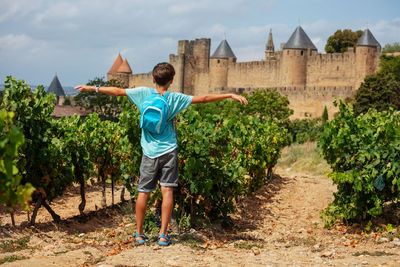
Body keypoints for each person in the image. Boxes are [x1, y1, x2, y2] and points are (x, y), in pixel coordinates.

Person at [75, 62, 247, 246]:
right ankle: (163, 235)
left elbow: (118, 91)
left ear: (153, 79)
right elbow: (203, 98)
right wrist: (229, 94)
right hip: (169, 151)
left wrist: (93, 88)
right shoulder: (175, 99)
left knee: (143, 192)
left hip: (149, 152)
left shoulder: (143, 93)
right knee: (167, 191)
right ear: (171, 80)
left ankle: (139, 234)